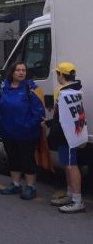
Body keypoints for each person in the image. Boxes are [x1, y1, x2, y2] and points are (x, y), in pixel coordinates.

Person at [0, 62, 44, 200]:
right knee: (13, 158)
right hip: (8, 131)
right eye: (18, 70)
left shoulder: (31, 88)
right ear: (12, 72)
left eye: (24, 70)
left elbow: (39, 112)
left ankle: (31, 187)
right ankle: (15, 184)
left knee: (27, 160)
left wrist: (28, 126)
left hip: (26, 133)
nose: (22, 73)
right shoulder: (3, 88)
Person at [47, 62, 87, 213]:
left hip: (66, 133)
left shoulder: (62, 92)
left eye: (57, 74)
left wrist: (51, 127)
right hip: (72, 131)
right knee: (67, 164)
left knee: (71, 165)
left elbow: (60, 116)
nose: (57, 76)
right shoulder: (76, 89)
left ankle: (77, 201)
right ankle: (71, 194)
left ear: (61, 75)